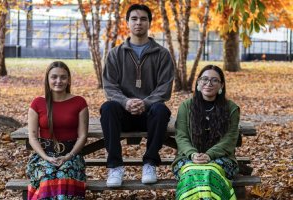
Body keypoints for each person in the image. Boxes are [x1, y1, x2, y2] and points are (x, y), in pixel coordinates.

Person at [100, 4, 174, 187]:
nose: (138, 22)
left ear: (149, 23)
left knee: (161, 110)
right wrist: (125, 102)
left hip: (149, 115)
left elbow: (164, 88)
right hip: (123, 114)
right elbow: (110, 86)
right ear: (127, 23)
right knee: (108, 107)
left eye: (143, 19)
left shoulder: (162, 54)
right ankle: (115, 166)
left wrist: (146, 103)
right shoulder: (116, 54)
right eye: (134, 19)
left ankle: (150, 163)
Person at [172, 65, 239, 199]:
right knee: (193, 171)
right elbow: (181, 136)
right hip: (188, 158)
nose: (209, 83)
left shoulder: (231, 108)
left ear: (221, 85)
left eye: (214, 80)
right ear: (198, 82)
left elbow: (230, 138)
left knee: (209, 171)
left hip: (222, 159)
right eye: (205, 79)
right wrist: (192, 154)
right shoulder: (186, 106)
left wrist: (209, 155)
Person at [26, 61, 89, 199]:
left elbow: (83, 136)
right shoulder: (37, 103)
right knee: (47, 176)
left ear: (69, 80)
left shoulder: (79, 102)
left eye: (63, 77)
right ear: (47, 79)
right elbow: (32, 136)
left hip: (71, 156)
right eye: (54, 77)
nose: (58, 81)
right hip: (44, 156)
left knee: (65, 176)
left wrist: (68, 156)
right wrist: (46, 157)